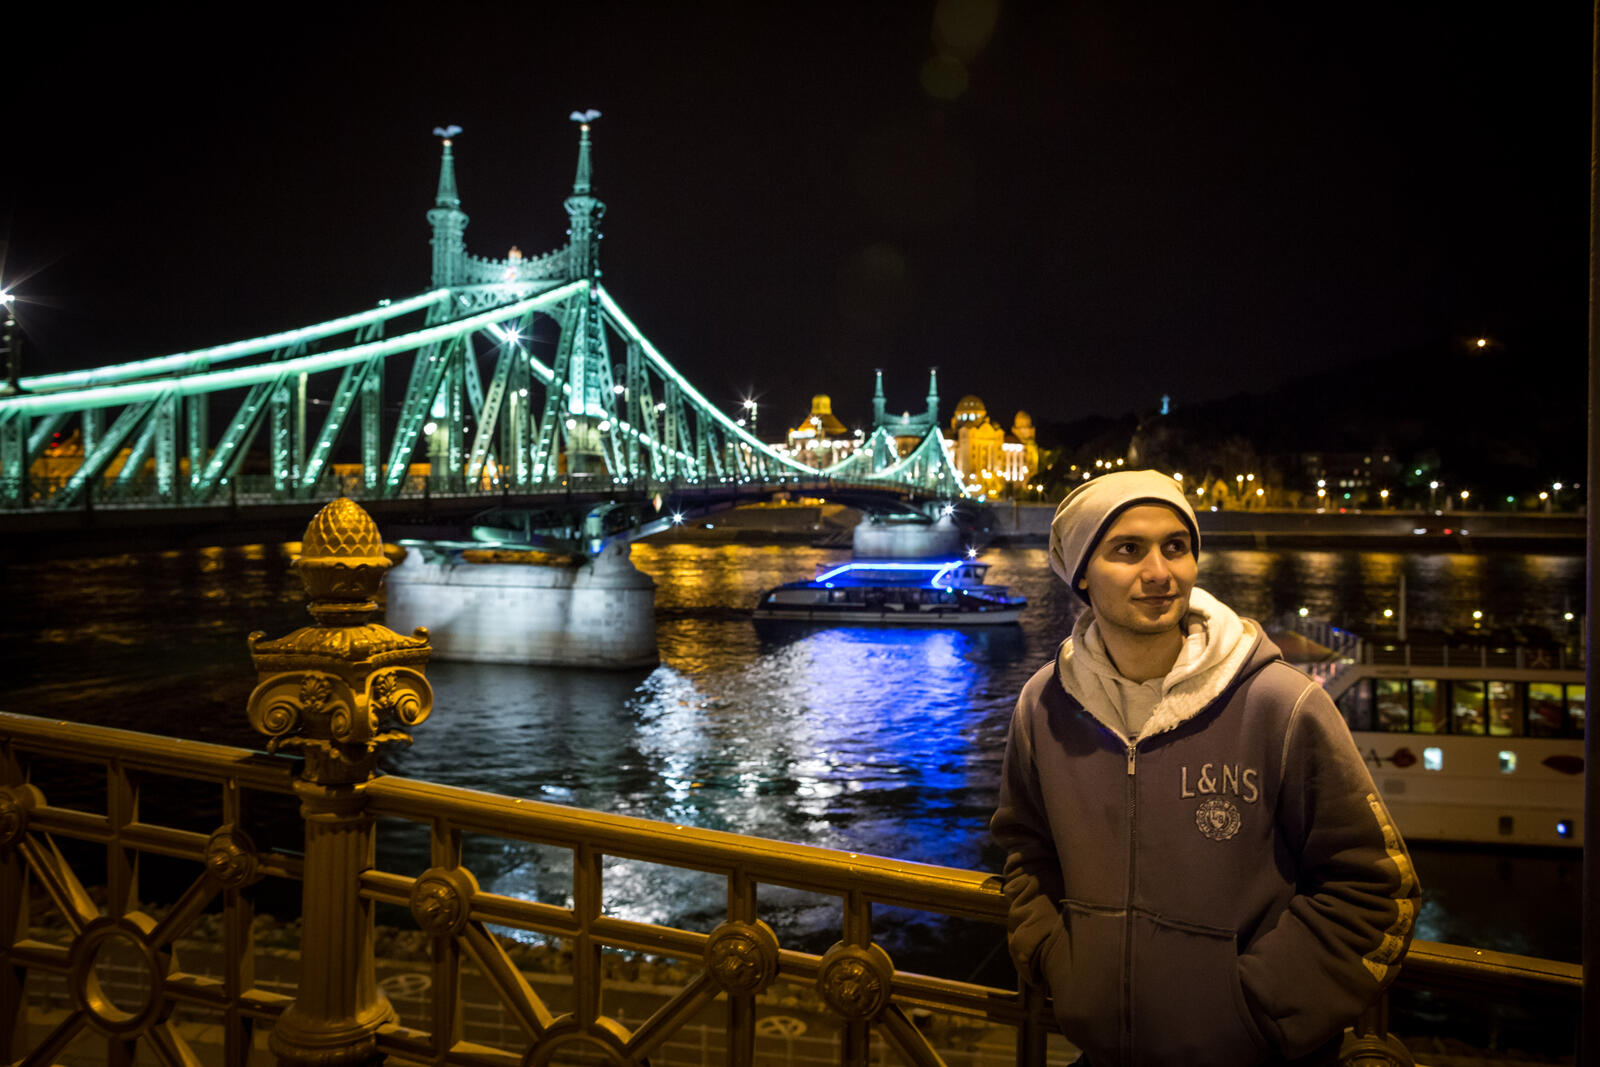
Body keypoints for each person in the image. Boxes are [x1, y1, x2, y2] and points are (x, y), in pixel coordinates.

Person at [991, 470, 1418, 1066]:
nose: (1160, 572)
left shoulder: (1282, 705)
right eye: (1127, 549)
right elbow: (1026, 852)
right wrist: (1059, 966)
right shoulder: (1044, 705)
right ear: (1081, 573)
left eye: (1176, 546)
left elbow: (1374, 888)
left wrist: (1253, 1012)